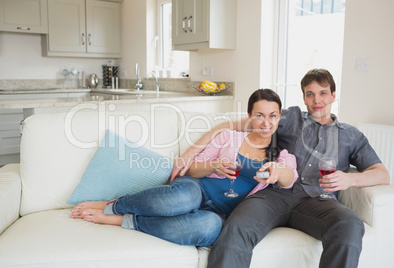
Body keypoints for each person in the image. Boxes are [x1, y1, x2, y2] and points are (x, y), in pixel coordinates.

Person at [171, 69, 390, 268]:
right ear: (303, 97)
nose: (317, 100)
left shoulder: (352, 135)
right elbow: (227, 126)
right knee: (237, 227)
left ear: (333, 95)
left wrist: (350, 180)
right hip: (272, 194)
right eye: (310, 94)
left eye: (323, 93)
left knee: (349, 223)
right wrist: (190, 153)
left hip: (318, 202)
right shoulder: (289, 118)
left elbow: (382, 173)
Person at [70, 89, 298, 247]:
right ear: (249, 116)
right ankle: (114, 206)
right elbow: (191, 171)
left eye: (272, 116)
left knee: (208, 229)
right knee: (183, 200)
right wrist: (213, 166)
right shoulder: (229, 137)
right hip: (195, 188)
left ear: (279, 118)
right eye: (259, 115)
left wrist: (278, 172)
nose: (266, 123)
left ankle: (126, 221)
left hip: (220, 213)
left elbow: (289, 178)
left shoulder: (281, 156)